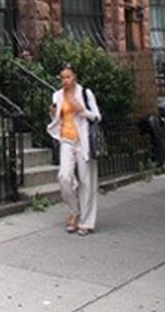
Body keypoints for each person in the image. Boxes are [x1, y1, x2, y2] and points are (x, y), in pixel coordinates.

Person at [46, 63, 102, 236]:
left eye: (68, 77)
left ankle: (86, 222)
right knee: (64, 177)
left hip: (83, 142)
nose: (65, 81)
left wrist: (81, 110)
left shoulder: (85, 93)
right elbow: (57, 118)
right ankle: (74, 211)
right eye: (62, 77)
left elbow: (97, 116)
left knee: (87, 182)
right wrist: (52, 113)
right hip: (66, 140)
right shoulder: (57, 95)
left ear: (75, 77)